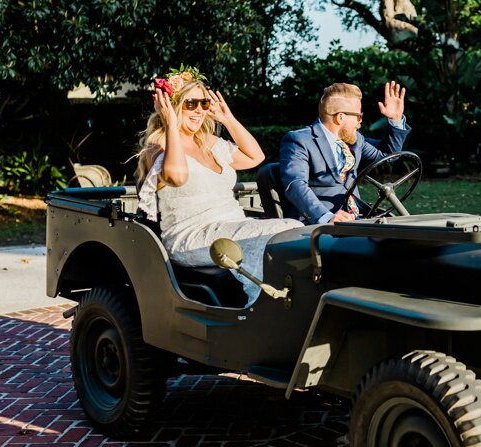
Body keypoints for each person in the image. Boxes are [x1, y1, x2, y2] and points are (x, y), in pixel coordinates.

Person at [136, 70, 304, 307]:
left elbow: (255, 157)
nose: (199, 110)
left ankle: (292, 303)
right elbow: (177, 176)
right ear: (171, 107)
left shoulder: (207, 142)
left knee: (293, 229)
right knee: (277, 232)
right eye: (190, 103)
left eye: (203, 103)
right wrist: (171, 124)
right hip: (191, 236)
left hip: (230, 225)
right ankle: (265, 309)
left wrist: (227, 119)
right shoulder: (159, 145)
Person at [278, 81, 411, 225]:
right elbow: (295, 185)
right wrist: (326, 217)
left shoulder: (355, 140)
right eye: (358, 117)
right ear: (340, 117)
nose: (360, 123)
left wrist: (395, 119)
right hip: (317, 224)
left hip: (358, 217)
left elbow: (387, 156)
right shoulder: (300, 140)